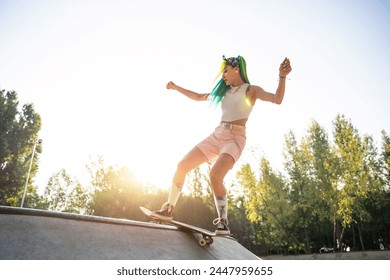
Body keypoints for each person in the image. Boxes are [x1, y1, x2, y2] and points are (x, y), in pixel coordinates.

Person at [151, 55, 292, 235]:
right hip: (217, 134)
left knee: (215, 175)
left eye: (225, 70)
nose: (223, 75)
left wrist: (281, 76)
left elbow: (276, 99)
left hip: (235, 139)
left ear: (236, 69)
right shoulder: (223, 92)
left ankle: (223, 222)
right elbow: (197, 96)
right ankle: (168, 209)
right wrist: (176, 86)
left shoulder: (251, 90)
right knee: (182, 165)